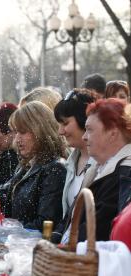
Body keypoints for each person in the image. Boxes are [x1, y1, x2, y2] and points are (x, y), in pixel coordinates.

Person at [60, 99, 131, 242]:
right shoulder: (97, 168)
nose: (84, 137)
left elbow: (99, 232)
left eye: (90, 130)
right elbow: (70, 219)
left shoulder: (124, 174)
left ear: (112, 133)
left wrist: (62, 250)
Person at [5, 101, 67, 231]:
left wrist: (9, 231)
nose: (17, 139)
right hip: (20, 243)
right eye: (16, 132)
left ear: (40, 130)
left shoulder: (54, 169)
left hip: (33, 246)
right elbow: (4, 198)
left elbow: (45, 224)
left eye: (23, 132)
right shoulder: (26, 165)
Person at [51, 89, 97, 243]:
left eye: (65, 123)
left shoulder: (103, 163)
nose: (60, 131)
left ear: (84, 119)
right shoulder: (71, 160)